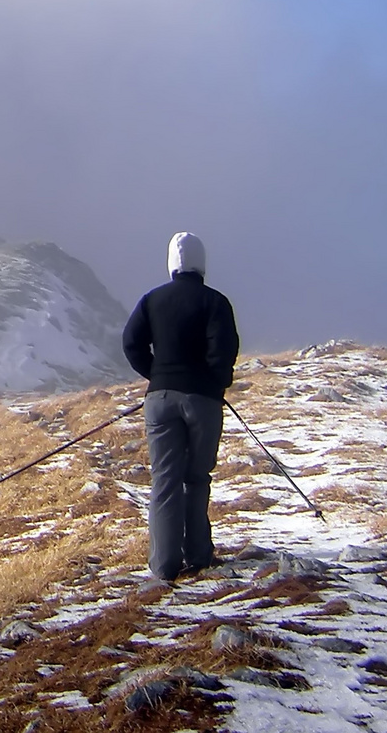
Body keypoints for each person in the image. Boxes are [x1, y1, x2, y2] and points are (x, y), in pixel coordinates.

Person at [121, 231, 239, 581]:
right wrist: (216, 383)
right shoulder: (215, 302)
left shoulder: (151, 300)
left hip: (159, 400)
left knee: (164, 480)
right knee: (197, 477)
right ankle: (200, 555)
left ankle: (163, 566)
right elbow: (224, 350)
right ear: (202, 264)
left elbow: (131, 344)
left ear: (172, 263)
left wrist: (157, 375)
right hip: (203, 400)